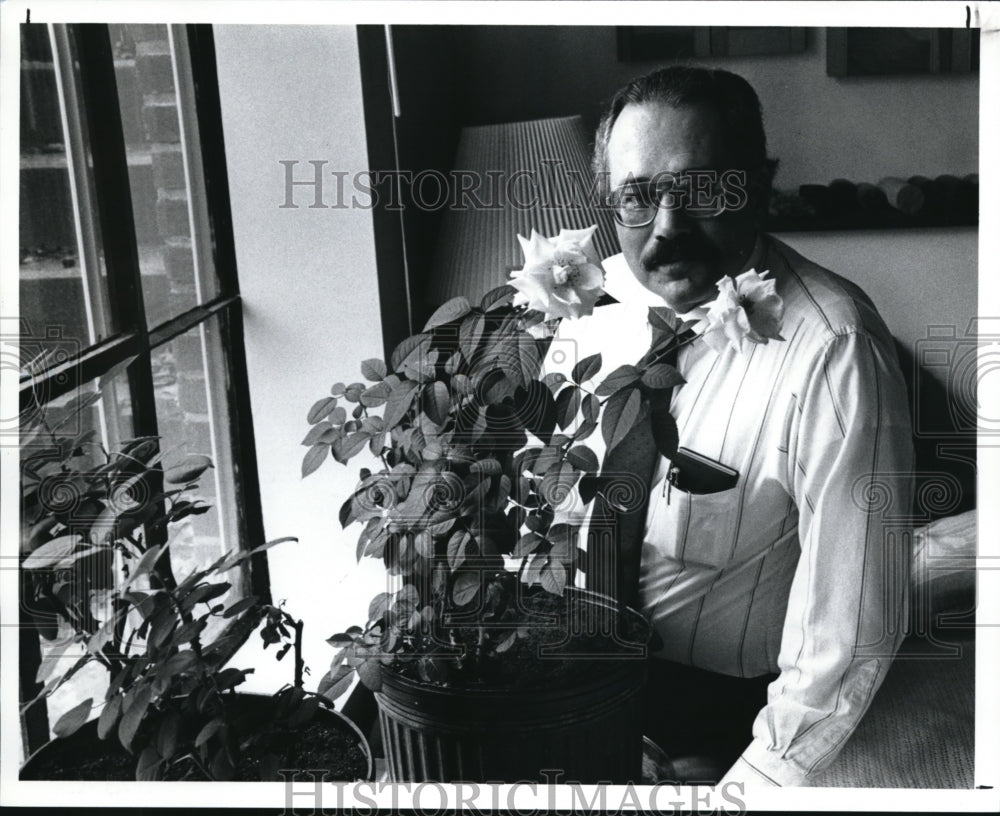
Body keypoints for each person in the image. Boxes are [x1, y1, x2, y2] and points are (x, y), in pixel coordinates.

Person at [560, 66, 914, 787]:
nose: (667, 227)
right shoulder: (582, 304)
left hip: (719, 728)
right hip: (565, 696)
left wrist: (743, 790)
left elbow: (843, 644)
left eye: (700, 191)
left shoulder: (834, 350)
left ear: (758, 181)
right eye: (638, 196)